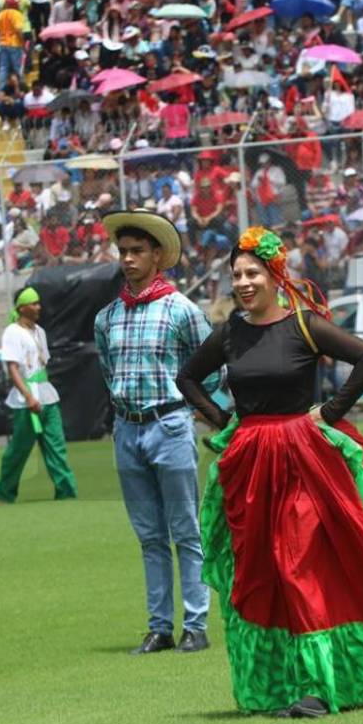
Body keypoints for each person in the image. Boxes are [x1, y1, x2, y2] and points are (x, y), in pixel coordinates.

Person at [176, 227, 363, 717]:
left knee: (300, 563)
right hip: (249, 462)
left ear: (275, 274)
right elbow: (187, 376)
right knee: (265, 571)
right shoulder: (230, 331)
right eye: (236, 276)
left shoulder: (304, 325)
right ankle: (279, 685)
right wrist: (224, 420)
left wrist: (330, 411)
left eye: (252, 273)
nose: (244, 283)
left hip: (303, 458)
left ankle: (316, 686)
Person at [94, 211, 215, 655]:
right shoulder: (106, 318)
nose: (127, 259)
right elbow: (109, 372)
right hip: (128, 427)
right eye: (123, 251)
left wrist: (195, 412)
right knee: (149, 535)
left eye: (136, 251)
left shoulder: (182, 310)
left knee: (185, 530)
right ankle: (160, 626)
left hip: (169, 423)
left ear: (157, 256)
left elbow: (209, 367)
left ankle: (196, 624)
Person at [0, 287, 78, 503]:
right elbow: (12, 368)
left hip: (47, 394)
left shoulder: (40, 331)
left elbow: (42, 364)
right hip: (26, 400)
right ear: (22, 307)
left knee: (56, 446)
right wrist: (29, 396)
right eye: (34, 303)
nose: (39, 307)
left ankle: (66, 492)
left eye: (39, 303)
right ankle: (5, 491)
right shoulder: (12, 331)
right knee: (19, 451)